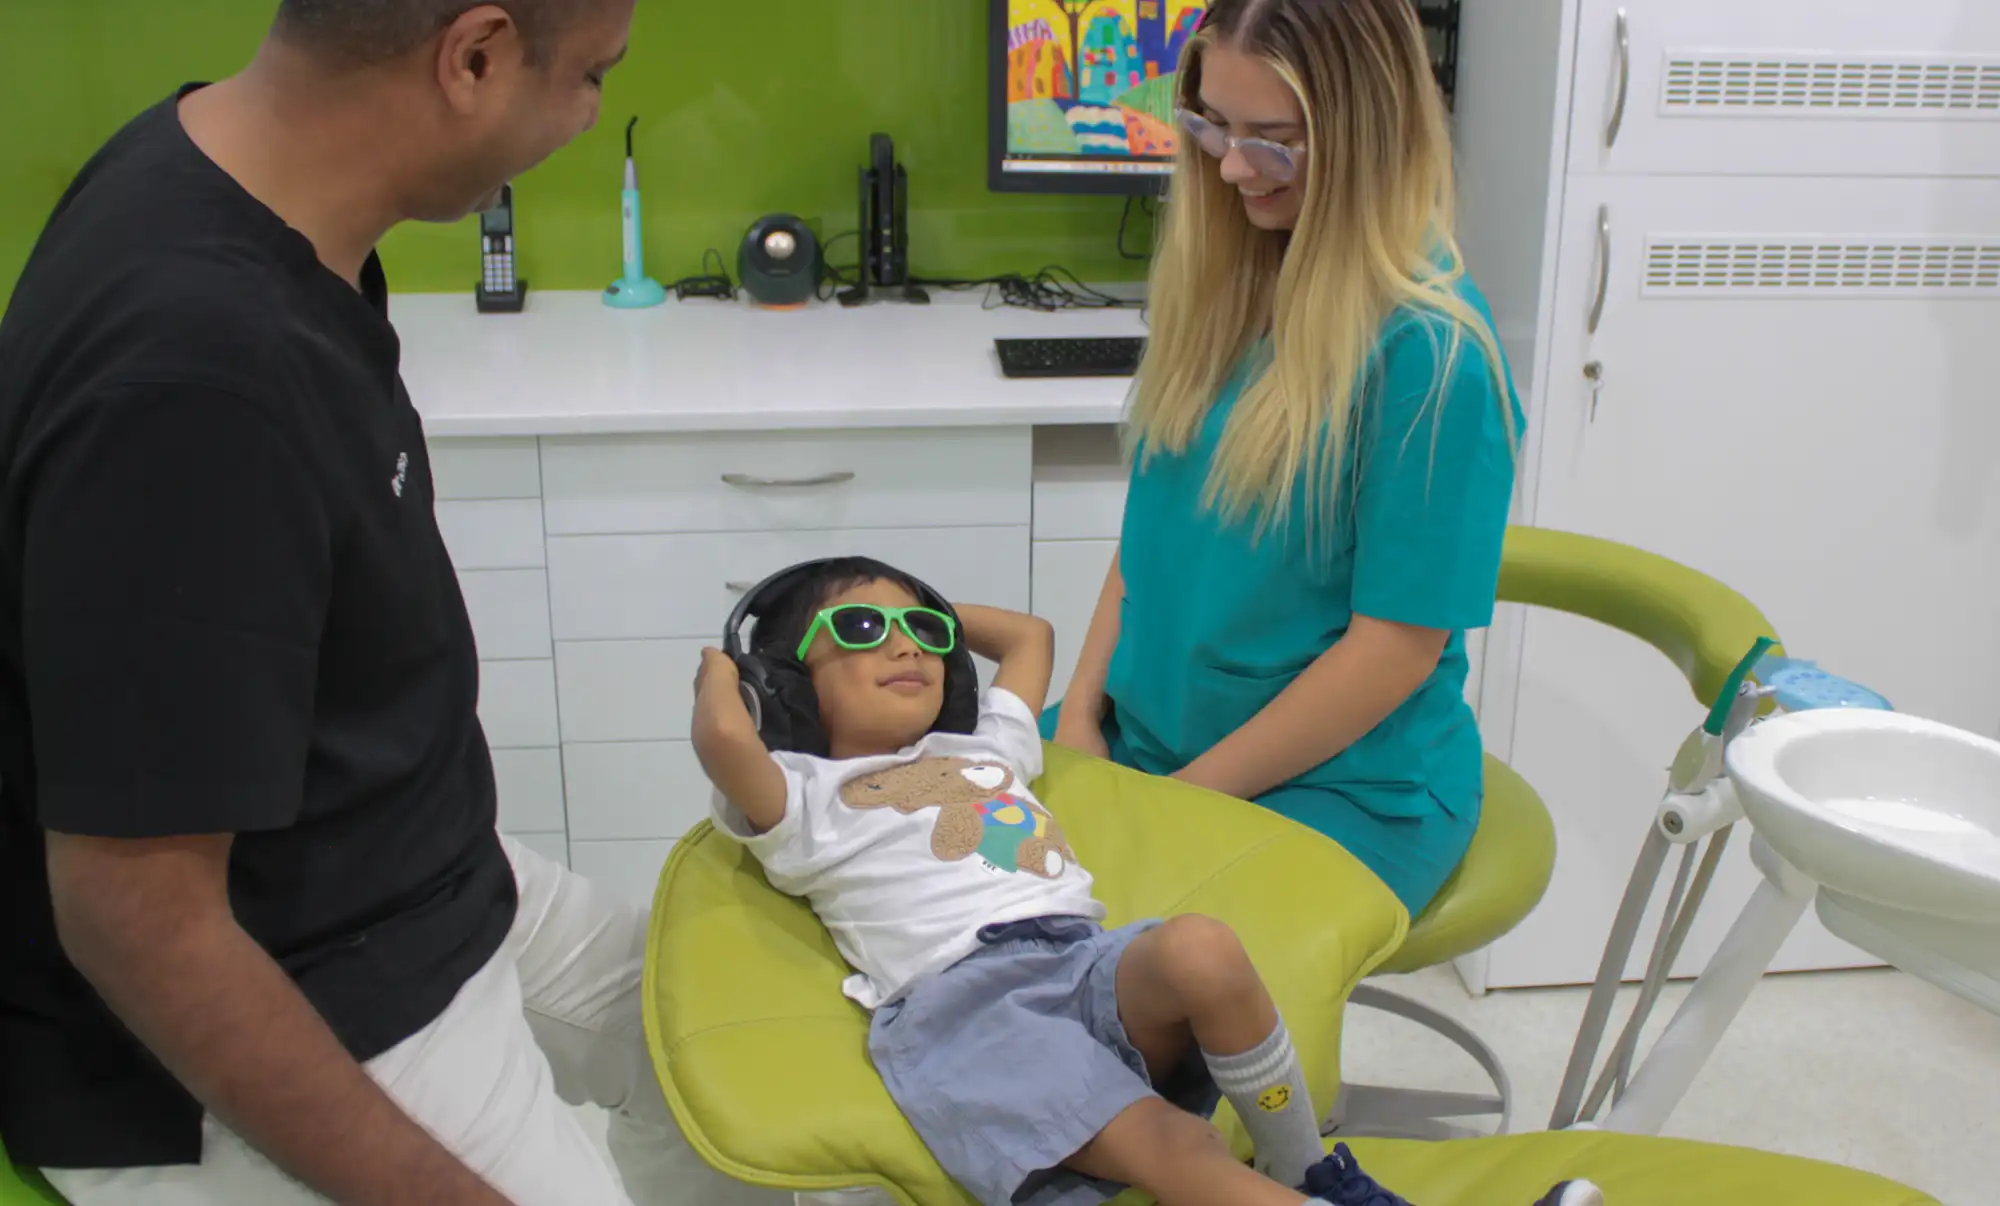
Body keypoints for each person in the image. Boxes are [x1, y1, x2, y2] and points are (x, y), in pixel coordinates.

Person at [0, 4, 784, 1205]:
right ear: (471, 57)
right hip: (269, 1009)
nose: (586, 117)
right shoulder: (196, 375)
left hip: (412, 879)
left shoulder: (240, 187)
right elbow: (132, 916)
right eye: (587, 79)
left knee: (767, 1064)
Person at [690, 557, 1596, 1206]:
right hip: (968, 1013)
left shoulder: (983, 747)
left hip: (1083, 963)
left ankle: (1304, 1167)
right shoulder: (802, 798)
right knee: (1178, 1145)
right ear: (786, 683)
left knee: (1201, 946)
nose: (907, 647)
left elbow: (1031, 637)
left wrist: (913, 612)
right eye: (859, 630)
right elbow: (727, 738)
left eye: (923, 633)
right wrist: (734, 668)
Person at [1046, 0, 1525, 919]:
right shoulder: (1231, 282)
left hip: (1342, 786)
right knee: (930, 867)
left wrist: (1167, 806)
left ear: (1369, 138)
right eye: (1212, 126)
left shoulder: (1433, 356)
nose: (1230, 167)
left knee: (1108, 981)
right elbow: (1147, 543)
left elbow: (1393, 649)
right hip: (1153, 740)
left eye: (1272, 140)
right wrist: (1078, 719)